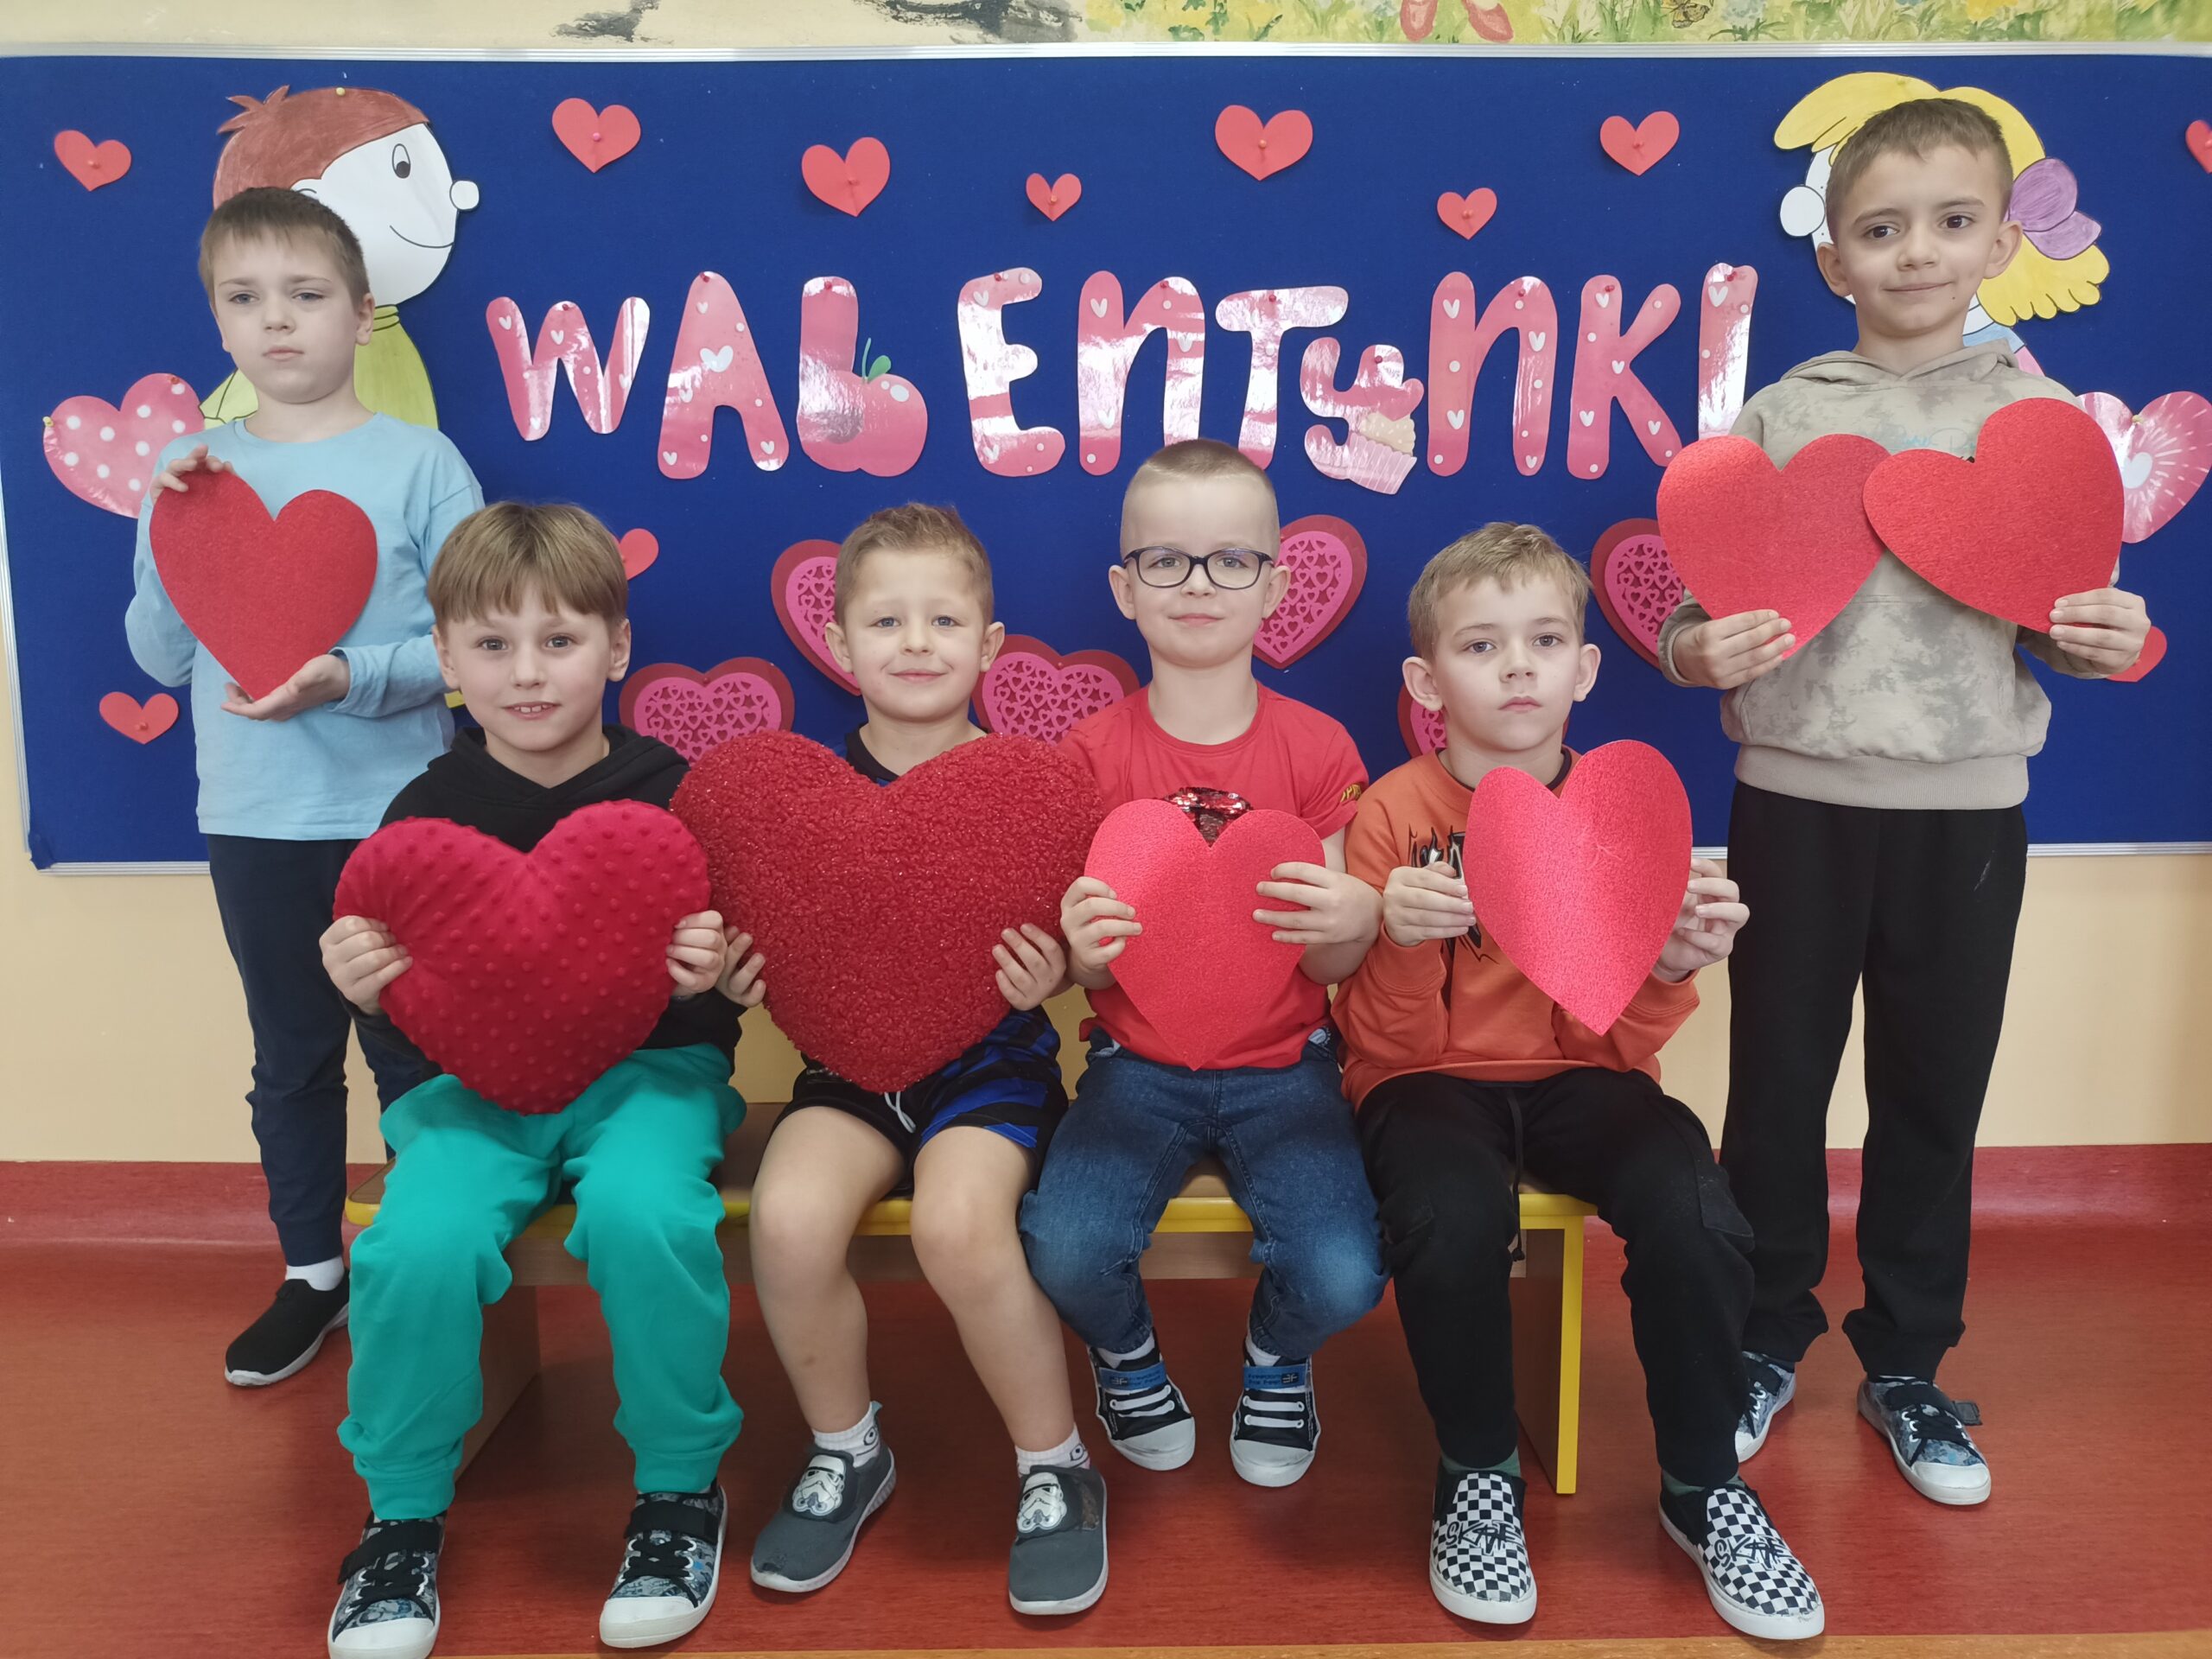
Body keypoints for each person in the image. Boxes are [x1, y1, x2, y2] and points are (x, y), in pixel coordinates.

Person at [1658, 96, 2152, 1505]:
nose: (1916, 252)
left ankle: (1910, 1363)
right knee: (1776, 1086)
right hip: (1792, 801)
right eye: (1881, 229)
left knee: (1934, 1089)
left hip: (1966, 811)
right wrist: (1693, 652)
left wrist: (2100, 637)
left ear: (2000, 241)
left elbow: (2062, 618)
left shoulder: (2039, 420)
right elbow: (1698, 609)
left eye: (1950, 222)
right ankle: (1763, 1334)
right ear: (1834, 259)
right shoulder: (1785, 412)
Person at [1336, 524, 1821, 1640]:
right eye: (1480, 645)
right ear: (1426, 681)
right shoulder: (1392, 814)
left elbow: (1611, 1042)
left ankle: (1703, 1486)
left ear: (1586, 668)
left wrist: (1671, 966)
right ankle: (1477, 1472)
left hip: (1581, 1076)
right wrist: (1400, 941)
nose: (1518, 667)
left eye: (1546, 640)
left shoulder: (1623, 813)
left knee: (1692, 1203)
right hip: (1425, 1081)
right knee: (1450, 1213)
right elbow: (1385, 1046)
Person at [319, 503, 745, 1658]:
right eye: (493, 644)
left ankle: (677, 1488)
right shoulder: (422, 816)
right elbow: (404, 1008)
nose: (526, 673)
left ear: (615, 647)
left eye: (559, 641)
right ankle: (400, 1515)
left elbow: (725, 995)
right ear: (447, 659)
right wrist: (364, 986)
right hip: (469, 1095)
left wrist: (712, 978)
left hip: (648, 1077)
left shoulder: (676, 796)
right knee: (416, 1244)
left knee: (648, 1214)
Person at [125, 185, 481, 1388]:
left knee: (419, 1045)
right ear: (217, 320)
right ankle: (312, 1273)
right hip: (255, 818)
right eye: (245, 298)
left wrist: (349, 677)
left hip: (403, 816)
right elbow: (159, 656)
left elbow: (473, 648)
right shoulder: (193, 474)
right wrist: (168, 526)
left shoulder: (421, 463)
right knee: (290, 1056)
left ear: (361, 314)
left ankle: (435, 1255)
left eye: (305, 294)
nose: (275, 320)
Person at [737, 505, 1108, 1617]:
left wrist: (1059, 971)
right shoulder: (795, 800)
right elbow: (750, 935)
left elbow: (1088, 949)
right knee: (787, 1219)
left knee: (957, 1223)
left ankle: (1055, 1464)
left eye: (943, 621)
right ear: (838, 643)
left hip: (992, 1071)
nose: (914, 642)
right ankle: (846, 1449)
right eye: (885, 620)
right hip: (847, 1074)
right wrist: (732, 970)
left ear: (987, 646)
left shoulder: (1032, 790)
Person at [1023, 438, 1389, 1490]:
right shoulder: (1087, 758)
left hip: (1287, 1067)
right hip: (1133, 1069)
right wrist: (1080, 955)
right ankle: (1128, 1360)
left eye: (1231, 560)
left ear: (1273, 586)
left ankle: (1275, 1359)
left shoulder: (1317, 749)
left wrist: (1356, 915)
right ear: (1124, 589)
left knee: (1343, 1272)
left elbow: (1334, 953)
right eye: (1165, 561)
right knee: (1065, 1248)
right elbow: (1085, 969)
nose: (1196, 584)